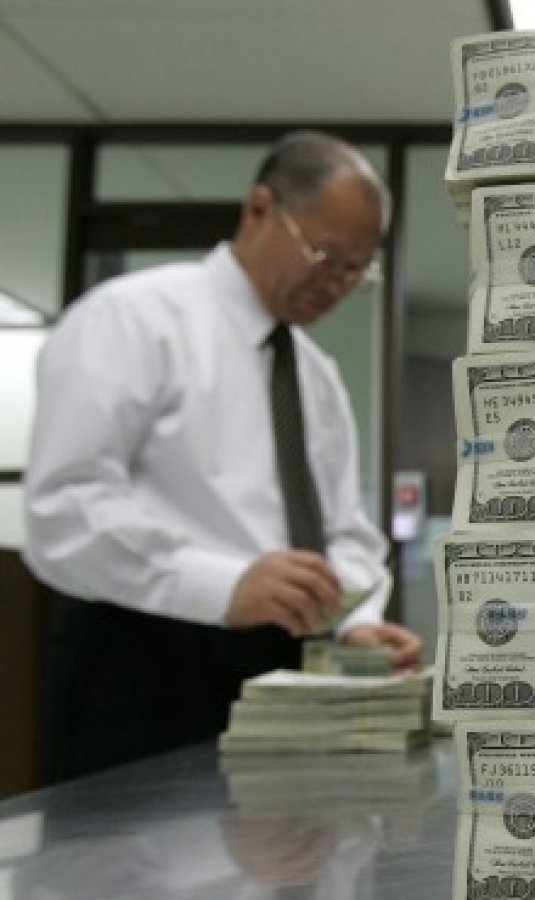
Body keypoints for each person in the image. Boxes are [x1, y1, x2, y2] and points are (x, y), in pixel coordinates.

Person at [24, 130, 423, 781]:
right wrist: (226, 584)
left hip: (281, 667)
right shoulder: (133, 318)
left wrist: (353, 619)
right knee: (135, 846)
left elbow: (343, 530)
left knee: (289, 842)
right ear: (259, 209)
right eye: (324, 257)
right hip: (145, 654)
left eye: (357, 271)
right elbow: (64, 513)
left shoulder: (315, 375)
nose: (336, 285)